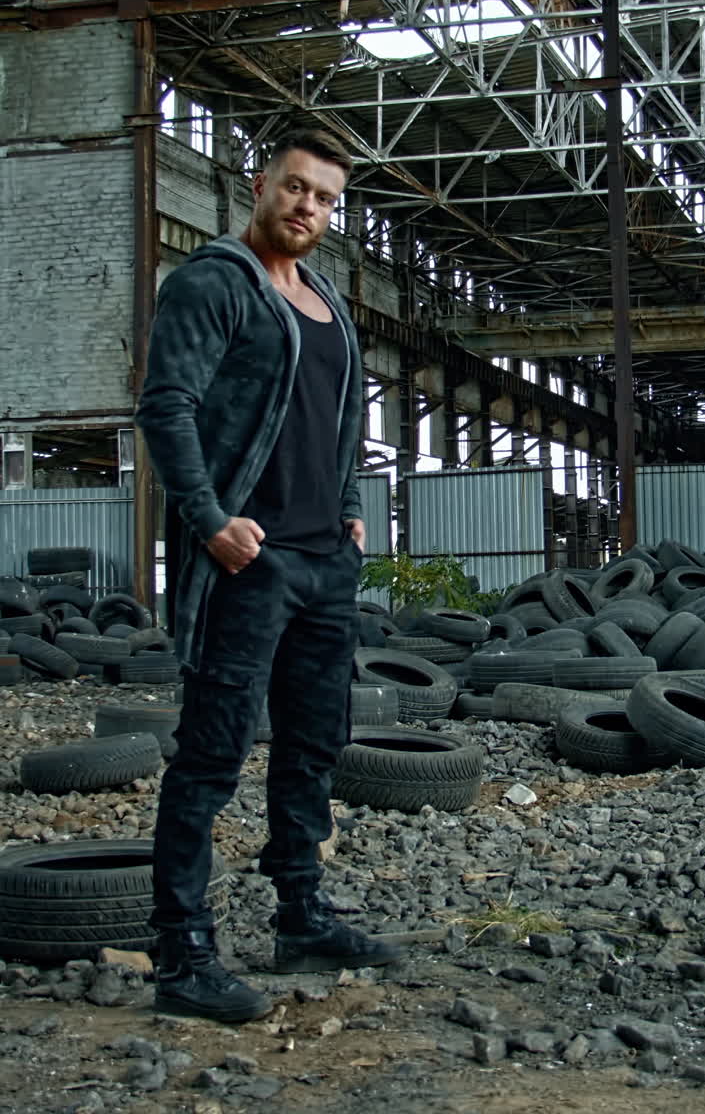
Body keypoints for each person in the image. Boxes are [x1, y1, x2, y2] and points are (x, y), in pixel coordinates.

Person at [136, 127, 400, 1023]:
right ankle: (181, 954)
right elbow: (165, 406)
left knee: (311, 747)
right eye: (295, 188)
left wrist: (355, 506)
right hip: (250, 562)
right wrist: (209, 523)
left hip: (325, 562)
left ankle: (300, 913)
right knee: (211, 755)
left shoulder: (326, 300)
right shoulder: (213, 282)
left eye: (324, 199)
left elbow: (345, 422)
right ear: (261, 185)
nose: (307, 208)